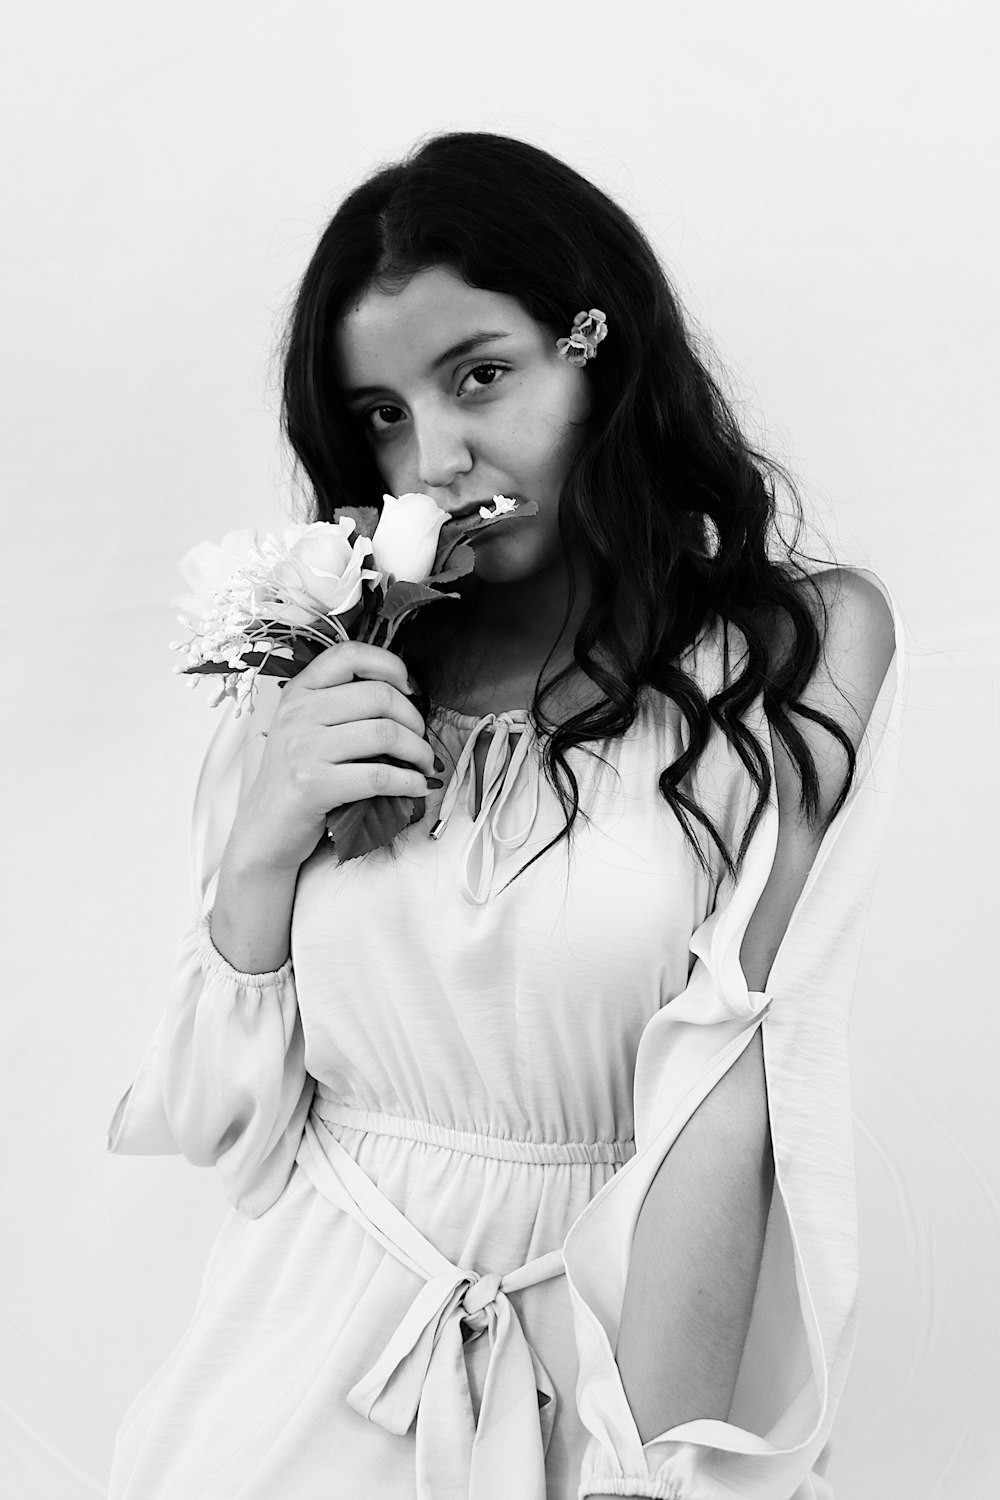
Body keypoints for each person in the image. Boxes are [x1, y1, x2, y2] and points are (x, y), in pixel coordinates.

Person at [107, 132, 904, 1500]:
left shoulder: (797, 649)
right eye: (381, 416)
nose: (438, 457)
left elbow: (734, 1095)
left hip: (600, 1363)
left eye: (481, 375)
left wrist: (651, 1474)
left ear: (597, 344)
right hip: (290, 1377)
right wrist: (264, 844)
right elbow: (227, 1133)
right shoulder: (324, 662)